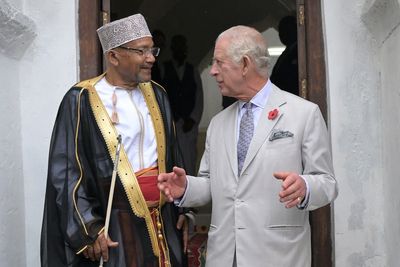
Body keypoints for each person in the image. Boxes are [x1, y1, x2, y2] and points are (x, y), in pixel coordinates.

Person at [158, 25, 338, 267]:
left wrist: (305, 186)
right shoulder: (218, 123)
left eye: (218, 62)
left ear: (244, 64)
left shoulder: (303, 114)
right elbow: (213, 183)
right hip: (225, 256)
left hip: (278, 256)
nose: (212, 71)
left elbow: (327, 183)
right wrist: (186, 188)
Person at [41, 14, 188, 267]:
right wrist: (89, 228)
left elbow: (174, 157)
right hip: (115, 226)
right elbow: (66, 173)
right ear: (113, 56)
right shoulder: (81, 99)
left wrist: (184, 208)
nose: (151, 58)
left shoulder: (159, 94)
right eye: (142, 51)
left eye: (152, 50)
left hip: (164, 221)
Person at [162, 34, 203, 175]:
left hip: (188, 125)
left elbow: (199, 97)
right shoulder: (164, 69)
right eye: (176, 46)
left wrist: (192, 119)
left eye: (182, 46)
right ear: (172, 48)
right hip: (171, 123)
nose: (179, 50)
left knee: (189, 160)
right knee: (172, 161)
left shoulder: (193, 70)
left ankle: (190, 193)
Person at [270, 15, 299, 96]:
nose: (281, 34)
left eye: (286, 30)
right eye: (280, 31)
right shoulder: (287, 52)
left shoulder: (300, 51)